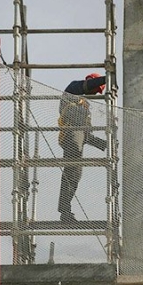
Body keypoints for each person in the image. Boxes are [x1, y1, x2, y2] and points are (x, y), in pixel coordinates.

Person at [57, 73, 107, 222]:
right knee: (71, 173)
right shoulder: (74, 89)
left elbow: (87, 135)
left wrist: (105, 144)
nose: (95, 93)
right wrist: (107, 79)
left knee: (75, 176)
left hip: (78, 139)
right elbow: (87, 86)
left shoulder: (85, 107)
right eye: (96, 89)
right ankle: (65, 211)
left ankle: (65, 211)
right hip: (71, 136)